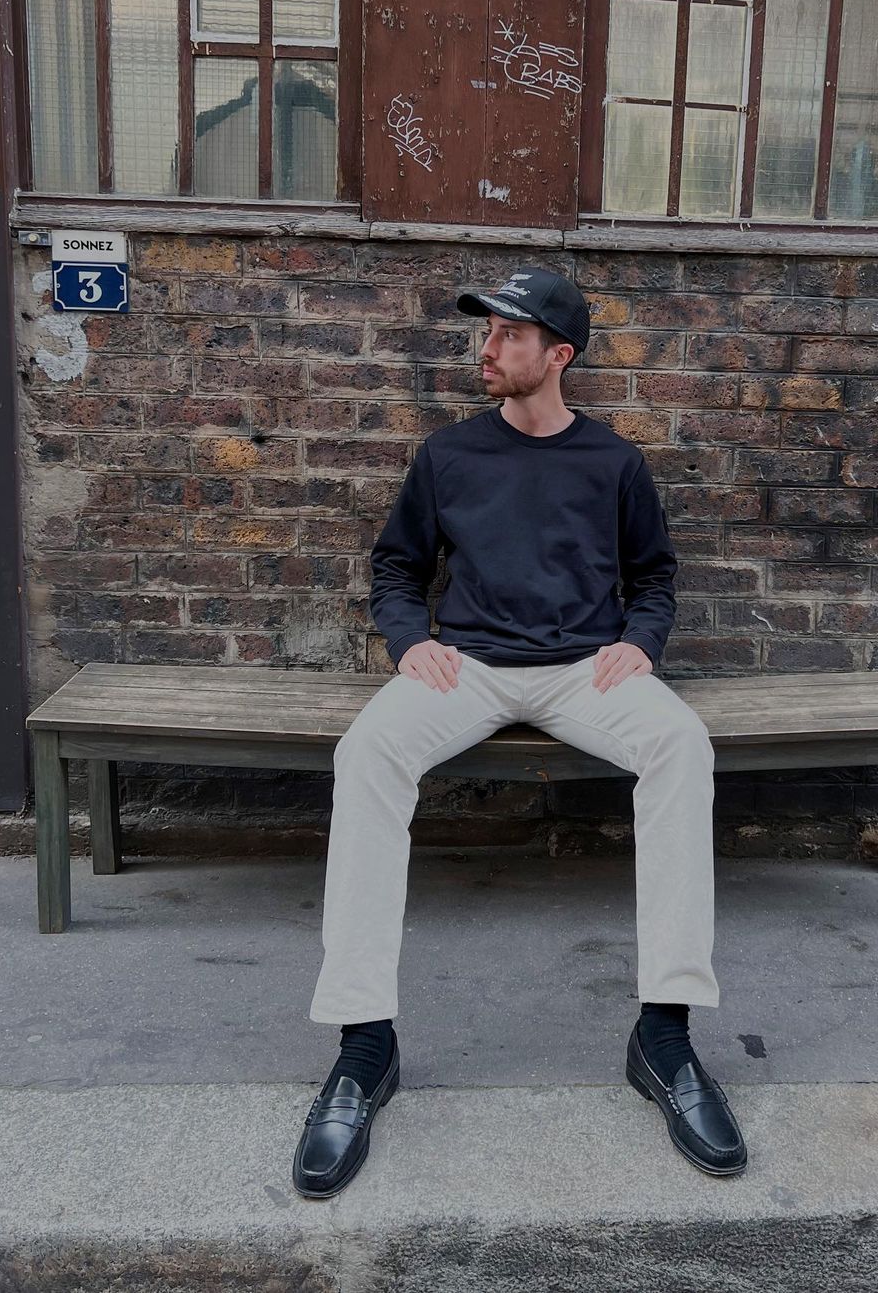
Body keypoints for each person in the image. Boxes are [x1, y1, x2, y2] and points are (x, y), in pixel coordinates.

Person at [292, 267, 747, 1198]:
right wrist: (412, 641)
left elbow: (655, 575)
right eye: (487, 332)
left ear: (558, 354)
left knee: (680, 744)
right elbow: (396, 567)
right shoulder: (449, 455)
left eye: (508, 334)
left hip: (586, 668)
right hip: (468, 666)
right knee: (367, 749)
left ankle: (664, 1039)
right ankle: (364, 1048)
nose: (488, 349)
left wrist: (640, 643)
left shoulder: (613, 462)